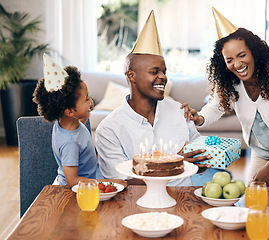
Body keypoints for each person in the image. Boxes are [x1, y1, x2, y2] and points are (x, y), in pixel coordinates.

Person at [183, 8, 269, 186]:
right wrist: (199, 118)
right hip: (263, 150)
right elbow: (216, 106)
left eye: (242, 55)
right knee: (254, 200)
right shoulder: (231, 81)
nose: (237, 64)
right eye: (229, 60)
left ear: (254, 52)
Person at [95, 11, 213, 186]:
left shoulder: (180, 111)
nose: (163, 77)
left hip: (181, 201)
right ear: (132, 76)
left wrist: (202, 161)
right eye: (154, 71)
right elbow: (122, 183)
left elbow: (199, 161)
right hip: (135, 206)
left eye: (164, 72)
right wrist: (173, 163)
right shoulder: (108, 130)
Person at [33, 54, 127, 188]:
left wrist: (87, 108)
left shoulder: (67, 123)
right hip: (75, 191)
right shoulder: (69, 143)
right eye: (86, 98)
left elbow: (80, 125)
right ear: (70, 111)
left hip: (83, 183)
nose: (90, 100)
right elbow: (72, 181)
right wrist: (109, 182)